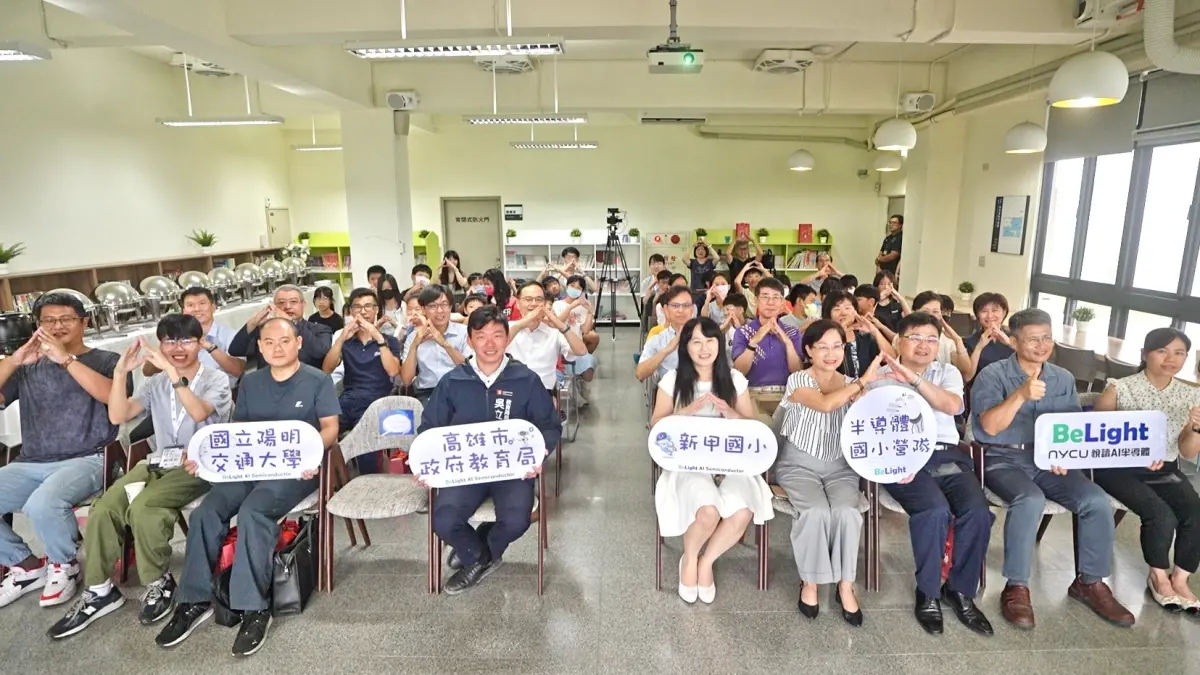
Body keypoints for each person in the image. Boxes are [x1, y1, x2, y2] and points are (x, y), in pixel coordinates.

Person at [155, 318, 339, 657]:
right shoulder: (252, 383)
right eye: (268, 342)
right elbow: (238, 435)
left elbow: (330, 427)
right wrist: (204, 458)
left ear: (298, 343)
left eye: (284, 341)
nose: (276, 348)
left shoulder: (317, 380)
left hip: (295, 470)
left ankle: (254, 608)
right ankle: (193, 600)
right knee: (207, 513)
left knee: (254, 512)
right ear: (260, 347)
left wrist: (312, 453)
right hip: (251, 467)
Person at [47, 315, 233, 638]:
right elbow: (119, 415)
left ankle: (159, 582)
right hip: (158, 462)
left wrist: (173, 374)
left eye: (186, 341)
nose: (177, 348)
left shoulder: (215, 380)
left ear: (199, 342)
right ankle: (100, 590)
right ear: (159, 345)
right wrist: (121, 372)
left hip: (201, 463)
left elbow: (199, 413)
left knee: (145, 507)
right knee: (104, 507)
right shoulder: (156, 384)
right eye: (169, 341)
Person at [971, 308, 1133, 630]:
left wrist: (1066, 453)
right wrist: (1019, 394)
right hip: (1002, 457)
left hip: (1049, 460)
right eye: (1033, 339)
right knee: (1029, 499)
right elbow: (988, 427)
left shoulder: (1063, 377)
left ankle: (1089, 582)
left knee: (1096, 500)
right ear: (1014, 341)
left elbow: (1070, 426)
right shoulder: (992, 374)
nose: (1042, 344)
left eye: (1047, 337)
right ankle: (1016, 586)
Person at [0, 293, 128, 610]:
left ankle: (64, 563)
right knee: (36, 498)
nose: (57, 326)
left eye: (66, 319)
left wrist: (66, 360)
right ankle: (26, 565)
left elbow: (112, 401)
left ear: (84, 322)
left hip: (91, 458)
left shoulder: (108, 361)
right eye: (48, 320)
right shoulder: (28, 367)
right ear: (38, 325)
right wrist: (16, 360)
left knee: (42, 505)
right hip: (31, 461)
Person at [870, 312, 994, 636]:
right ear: (899, 340)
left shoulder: (947, 371)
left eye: (931, 339)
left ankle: (960, 589)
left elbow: (953, 406)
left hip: (945, 454)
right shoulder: (879, 376)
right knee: (934, 511)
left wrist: (913, 380)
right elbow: (869, 431)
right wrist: (897, 459)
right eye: (915, 337)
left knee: (978, 512)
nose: (923, 346)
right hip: (900, 458)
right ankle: (928, 593)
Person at [423, 306, 562, 595]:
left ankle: (478, 551)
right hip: (465, 469)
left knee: (516, 520)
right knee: (444, 520)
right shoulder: (453, 381)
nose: (490, 344)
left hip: (510, 469)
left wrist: (539, 455)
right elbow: (429, 428)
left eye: (498, 335)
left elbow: (549, 426)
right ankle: (481, 558)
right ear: (470, 341)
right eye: (481, 336)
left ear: (507, 338)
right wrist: (426, 465)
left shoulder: (525, 379)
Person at [652, 317, 773, 604]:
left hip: (730, 464)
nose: (704, 348)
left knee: (743, 511)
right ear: (686, 347)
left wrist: (731, 414)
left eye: (710, 340)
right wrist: (688, 411)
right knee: (708, 511)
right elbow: (656, 426)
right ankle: (690, 558)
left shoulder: (734, 380)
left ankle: (707, 561)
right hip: (687, 465)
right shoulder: (672, 380)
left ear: (720, 344)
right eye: (696, 342)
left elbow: (751, 427)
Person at [776, 319, 879, 626]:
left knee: (847, 512)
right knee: (816, 511)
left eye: (838, 346)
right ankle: (810, 582)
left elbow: (869, 427)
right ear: (809, 350)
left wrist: (863, 395)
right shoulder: (798, 380)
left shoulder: (850, 382)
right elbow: (822, 404)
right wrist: (861, 384)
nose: (832, 353)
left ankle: (845, 584)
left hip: (841, 467)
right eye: (823, 346)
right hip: (798, 464)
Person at [1092, 328, 1200, 611]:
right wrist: (1137, 450)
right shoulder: (1120, 387)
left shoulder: (1190, 395)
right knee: (1160, 513)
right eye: (1162, 351)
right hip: (1117, 467)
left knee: (1194, 510)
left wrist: (1197, 427)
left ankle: (1181, 579)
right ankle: (1158, 577)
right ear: (1145, 354)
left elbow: (1187, 452)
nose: (1171, 359)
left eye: (1179, 353)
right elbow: (1095, 436)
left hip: (1163, 466)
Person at [322, 288, 402, 472]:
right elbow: (326, 369)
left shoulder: (389, 340)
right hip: (347, 400)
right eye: (357, 307)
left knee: (364, 440)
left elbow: (392, 371)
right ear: (351, 312)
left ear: (376, 310)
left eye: (368, 306)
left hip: (376, 403)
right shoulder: (347, 341)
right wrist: (341, 338)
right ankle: (330, 482)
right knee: (320, 431)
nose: (363, 311)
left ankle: (369, 485)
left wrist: (377, 337)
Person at [506, 281, 587, 394]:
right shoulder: (507, 327)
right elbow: (496, 346)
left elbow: (581, 351)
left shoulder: (553, 333)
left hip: (543, 392)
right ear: (518, 303)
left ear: (544, 304)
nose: (533, 304)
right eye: (528, 299)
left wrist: (559, 324)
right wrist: (522, 324)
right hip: (510, 391)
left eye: (538, 299)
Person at [228, 285, 331, 371]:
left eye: (293, 301)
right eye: (281, 303)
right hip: (269, 388)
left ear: (303, 305)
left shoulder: (320, 330)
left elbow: (320, 353)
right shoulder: (264, 331)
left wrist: (292, 323)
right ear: (273, 307)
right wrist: (254, 322)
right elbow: (235, 350)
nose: (287, 306)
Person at [400, 285, 471, 402]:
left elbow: (470, 370)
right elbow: (406, 380)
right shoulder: (414, 337)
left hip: (459, 389)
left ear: (450, 307)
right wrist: (414, 345)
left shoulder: (464, 333)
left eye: (444, 305)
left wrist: (445, 344)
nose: (439, 310)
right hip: (427, 393)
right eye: (433, 306)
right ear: (423, 309)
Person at [730, 278, 802, 389]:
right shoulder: (743, 332)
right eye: (765, 296)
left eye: (776, 297)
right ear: (756, 300)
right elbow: (739, 371)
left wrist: (787, 342)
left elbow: (798, 371)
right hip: (751, 393)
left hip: (788, 393)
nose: (770, 302)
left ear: (782, 302)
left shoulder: (792, 332)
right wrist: (754, 341)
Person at [822, 290, 896, 379]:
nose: (843, 313)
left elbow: (892, 359)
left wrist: (875, 331)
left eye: (847, 308)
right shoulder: (821, 336)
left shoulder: (864, 336)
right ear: (828, 314)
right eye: (837, 309)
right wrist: (842, 327)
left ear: (855, 312)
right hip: (839, 390)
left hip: (867, 388)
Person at [552, 277, 599, 400]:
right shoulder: (558, 304)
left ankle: (579, 381)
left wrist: (590, 312)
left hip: (576, 347)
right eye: (572, 285)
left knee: (590, 366)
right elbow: (557, 322)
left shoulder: (582, 307)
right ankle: (571, 382)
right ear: (567, 286)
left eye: (579, 287)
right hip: (560, 347)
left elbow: (585, 330)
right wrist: (571, 306)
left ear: (582, 291)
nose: (575, 289)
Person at [637, 287, 696, 382]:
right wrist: (667, 350)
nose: (680, 310)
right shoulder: (657, 340)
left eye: (686, 305)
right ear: (666, 310)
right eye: (675, 306)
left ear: (692, 309)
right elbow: (640, 374)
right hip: (670, 394)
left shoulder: (705, 336)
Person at [907, 291, 971, 376]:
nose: (931, 316)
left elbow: (965, 370)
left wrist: (958, 340)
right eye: (925, 312)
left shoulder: (947, 340)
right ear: (914, 312)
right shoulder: (905, 337)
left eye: (935, 311)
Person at [963, 292, 1015, 383]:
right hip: (982, 391)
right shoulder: (968, 342)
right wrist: (979, 347)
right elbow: (967, 378)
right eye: (984, 311)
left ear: (1004, 312)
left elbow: (1031, 363)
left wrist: (1011, 344)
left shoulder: (1015, 338)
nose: (990, 316)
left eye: (994, 310)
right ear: (977, 315)